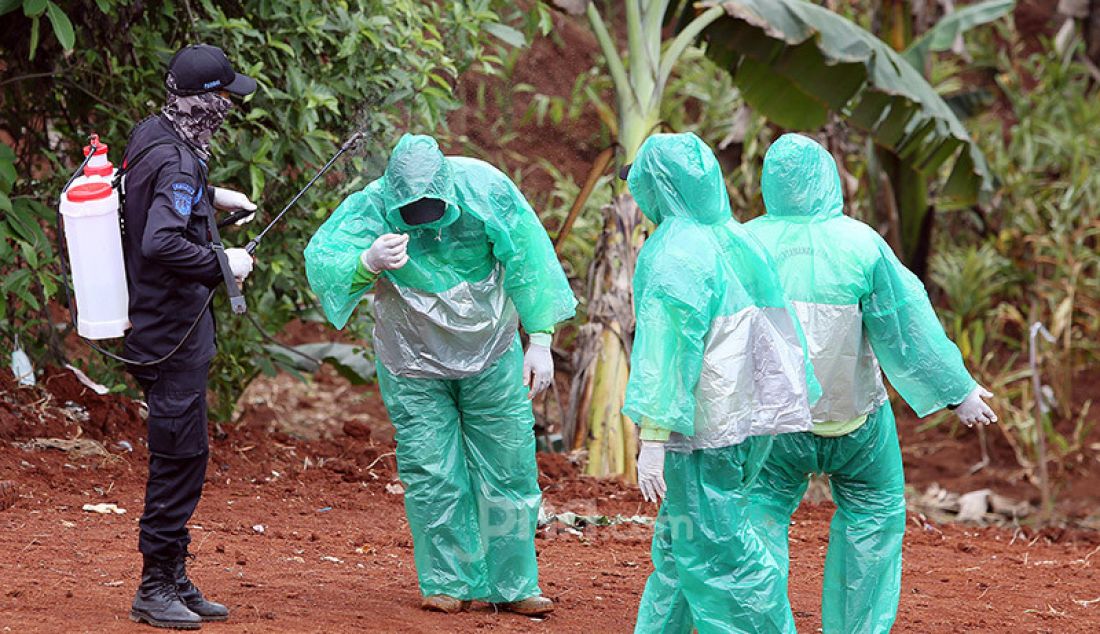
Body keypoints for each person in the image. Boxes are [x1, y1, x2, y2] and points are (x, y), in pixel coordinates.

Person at [304, 133, 576, 616]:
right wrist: (366, 262)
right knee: (432, 471)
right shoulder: (370, 207)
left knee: (509, 465)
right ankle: (449, 581)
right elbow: (323, 259)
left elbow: (529, 259)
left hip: (490, 354)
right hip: (412, 361)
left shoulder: (484, 189)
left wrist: (540, 339)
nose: (424, 213)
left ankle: (513, 585)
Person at [745, 133, 997, 633]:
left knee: (759, 516)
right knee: (874, 517)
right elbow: (905, 326)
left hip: (773, 423)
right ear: (828, 178)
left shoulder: (744, 242)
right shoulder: (862, 243)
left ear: (769, 183)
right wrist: (958, 391)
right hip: (855, 419)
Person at [623, 132, 820, 633]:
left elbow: (666, 353)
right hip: (747, 422)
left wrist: (653, 435)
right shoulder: (737, 236)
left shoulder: (672, 254)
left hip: (701, 431)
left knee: (723, 559)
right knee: (680, 544)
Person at [120, 43, 259, 629]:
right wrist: (224, 260)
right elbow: (160, 242)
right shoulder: (178, 159)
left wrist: (210, 197)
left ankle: (173, 576)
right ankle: (155, 586)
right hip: (169, 332)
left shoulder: (155, 132)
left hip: (155, 323)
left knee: (186, 453)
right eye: (225, 97)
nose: (229, 106)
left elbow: (158, 198)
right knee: (179, 458)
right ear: (206, 101)